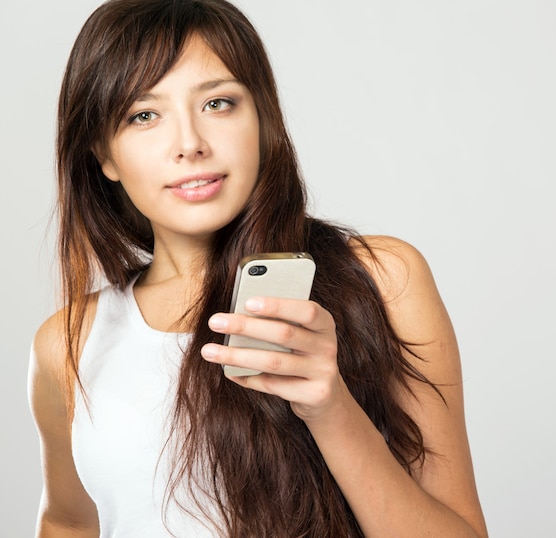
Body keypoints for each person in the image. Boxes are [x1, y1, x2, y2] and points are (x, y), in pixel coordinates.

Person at [28, 0, 488, 536]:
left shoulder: (384, 279)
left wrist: (330, 407)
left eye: (218, 103)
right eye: (144, 115)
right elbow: (68, 523)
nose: (190, 144)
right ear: (104, 154)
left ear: (262, 116)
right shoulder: (67, 344)